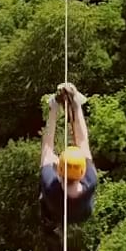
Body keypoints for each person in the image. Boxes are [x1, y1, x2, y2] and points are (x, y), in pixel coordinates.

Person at [40, 81, 97, 228]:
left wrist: (53, 109)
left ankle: (75, 103)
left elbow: (47, 148)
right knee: (52, 158)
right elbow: (82, 141)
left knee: (51, 158)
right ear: (82, 171)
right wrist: (75, 105)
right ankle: (76, 102)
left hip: (56, 212)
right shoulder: (90, 180)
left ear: (59, 170)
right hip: (82, 213)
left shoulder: (50, 184)